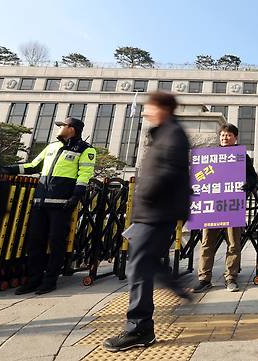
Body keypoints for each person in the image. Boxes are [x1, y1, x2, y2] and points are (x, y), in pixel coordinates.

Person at [103, 91, 191, 352]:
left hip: (155, 212)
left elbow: (169, 172)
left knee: (138, 269)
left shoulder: (173, 134)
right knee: (146, 263)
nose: (146, 112)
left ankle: (139, 328)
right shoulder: (164, 133)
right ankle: (181, 288)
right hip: (151, 212)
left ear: (163, 108)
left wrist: (147, 194)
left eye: (150, 107)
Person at [5, 116, 96, 295]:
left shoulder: (86, 149)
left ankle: (50, 280)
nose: (59, 128)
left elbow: (84, 174)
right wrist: (6, 169)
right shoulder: (52, 147)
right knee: (35, 241)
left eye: (63, 125)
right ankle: (34, 279)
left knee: (56, 242)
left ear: (72, 128)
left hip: (62, 204)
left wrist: (75, 197)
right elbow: (32, 166)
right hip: (40, 201)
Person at [193, 123, 257, 293]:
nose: (225, 138)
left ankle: (231, 278)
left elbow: (252, 177)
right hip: (212, 206)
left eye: (228, 135)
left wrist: (247, 186)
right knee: (207, 243)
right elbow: (199, 177)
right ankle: (204, 278)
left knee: (233, 244)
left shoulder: (242, 156)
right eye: (222, 135)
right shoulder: (209, 156)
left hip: (232, 206)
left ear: (235, 137)